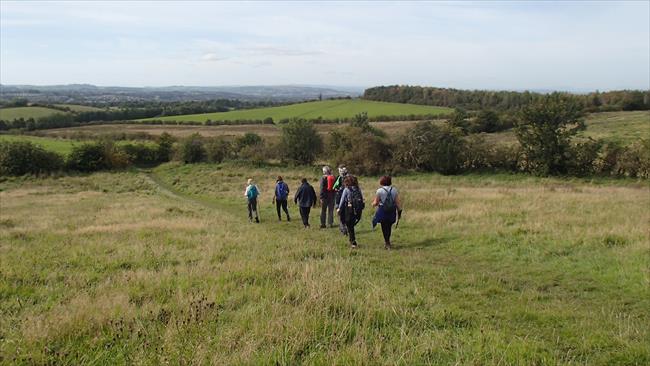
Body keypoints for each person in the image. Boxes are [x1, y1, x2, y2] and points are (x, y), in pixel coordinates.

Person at [372, 176, 402, 249]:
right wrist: (399, 211)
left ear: (382, 182)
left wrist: (372, 204)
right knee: (389, 226)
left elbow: (376, 202)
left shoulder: (379, 191)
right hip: (392, 210)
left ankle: (387, 242)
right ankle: (388, 241)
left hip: (383, 210)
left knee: (384, 226)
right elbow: (397, 202)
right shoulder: (394, 190)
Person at [337, 175, 364, 248]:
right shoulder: (358, 189)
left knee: (349, 226)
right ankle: (352, 240)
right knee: (351, 225)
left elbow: (342, 200)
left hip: (349, 209)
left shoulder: (347, 189)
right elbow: (361, 198)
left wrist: (339, 208)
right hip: (358, 210)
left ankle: (353, 242)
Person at [333, 165, 349, 234]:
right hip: (348, 200)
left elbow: (334, 187)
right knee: (346, 215)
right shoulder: (350, 178)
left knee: (341, 215)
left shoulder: (339, 178)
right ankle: (345, 228)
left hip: (339, 199)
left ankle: (343, 229)